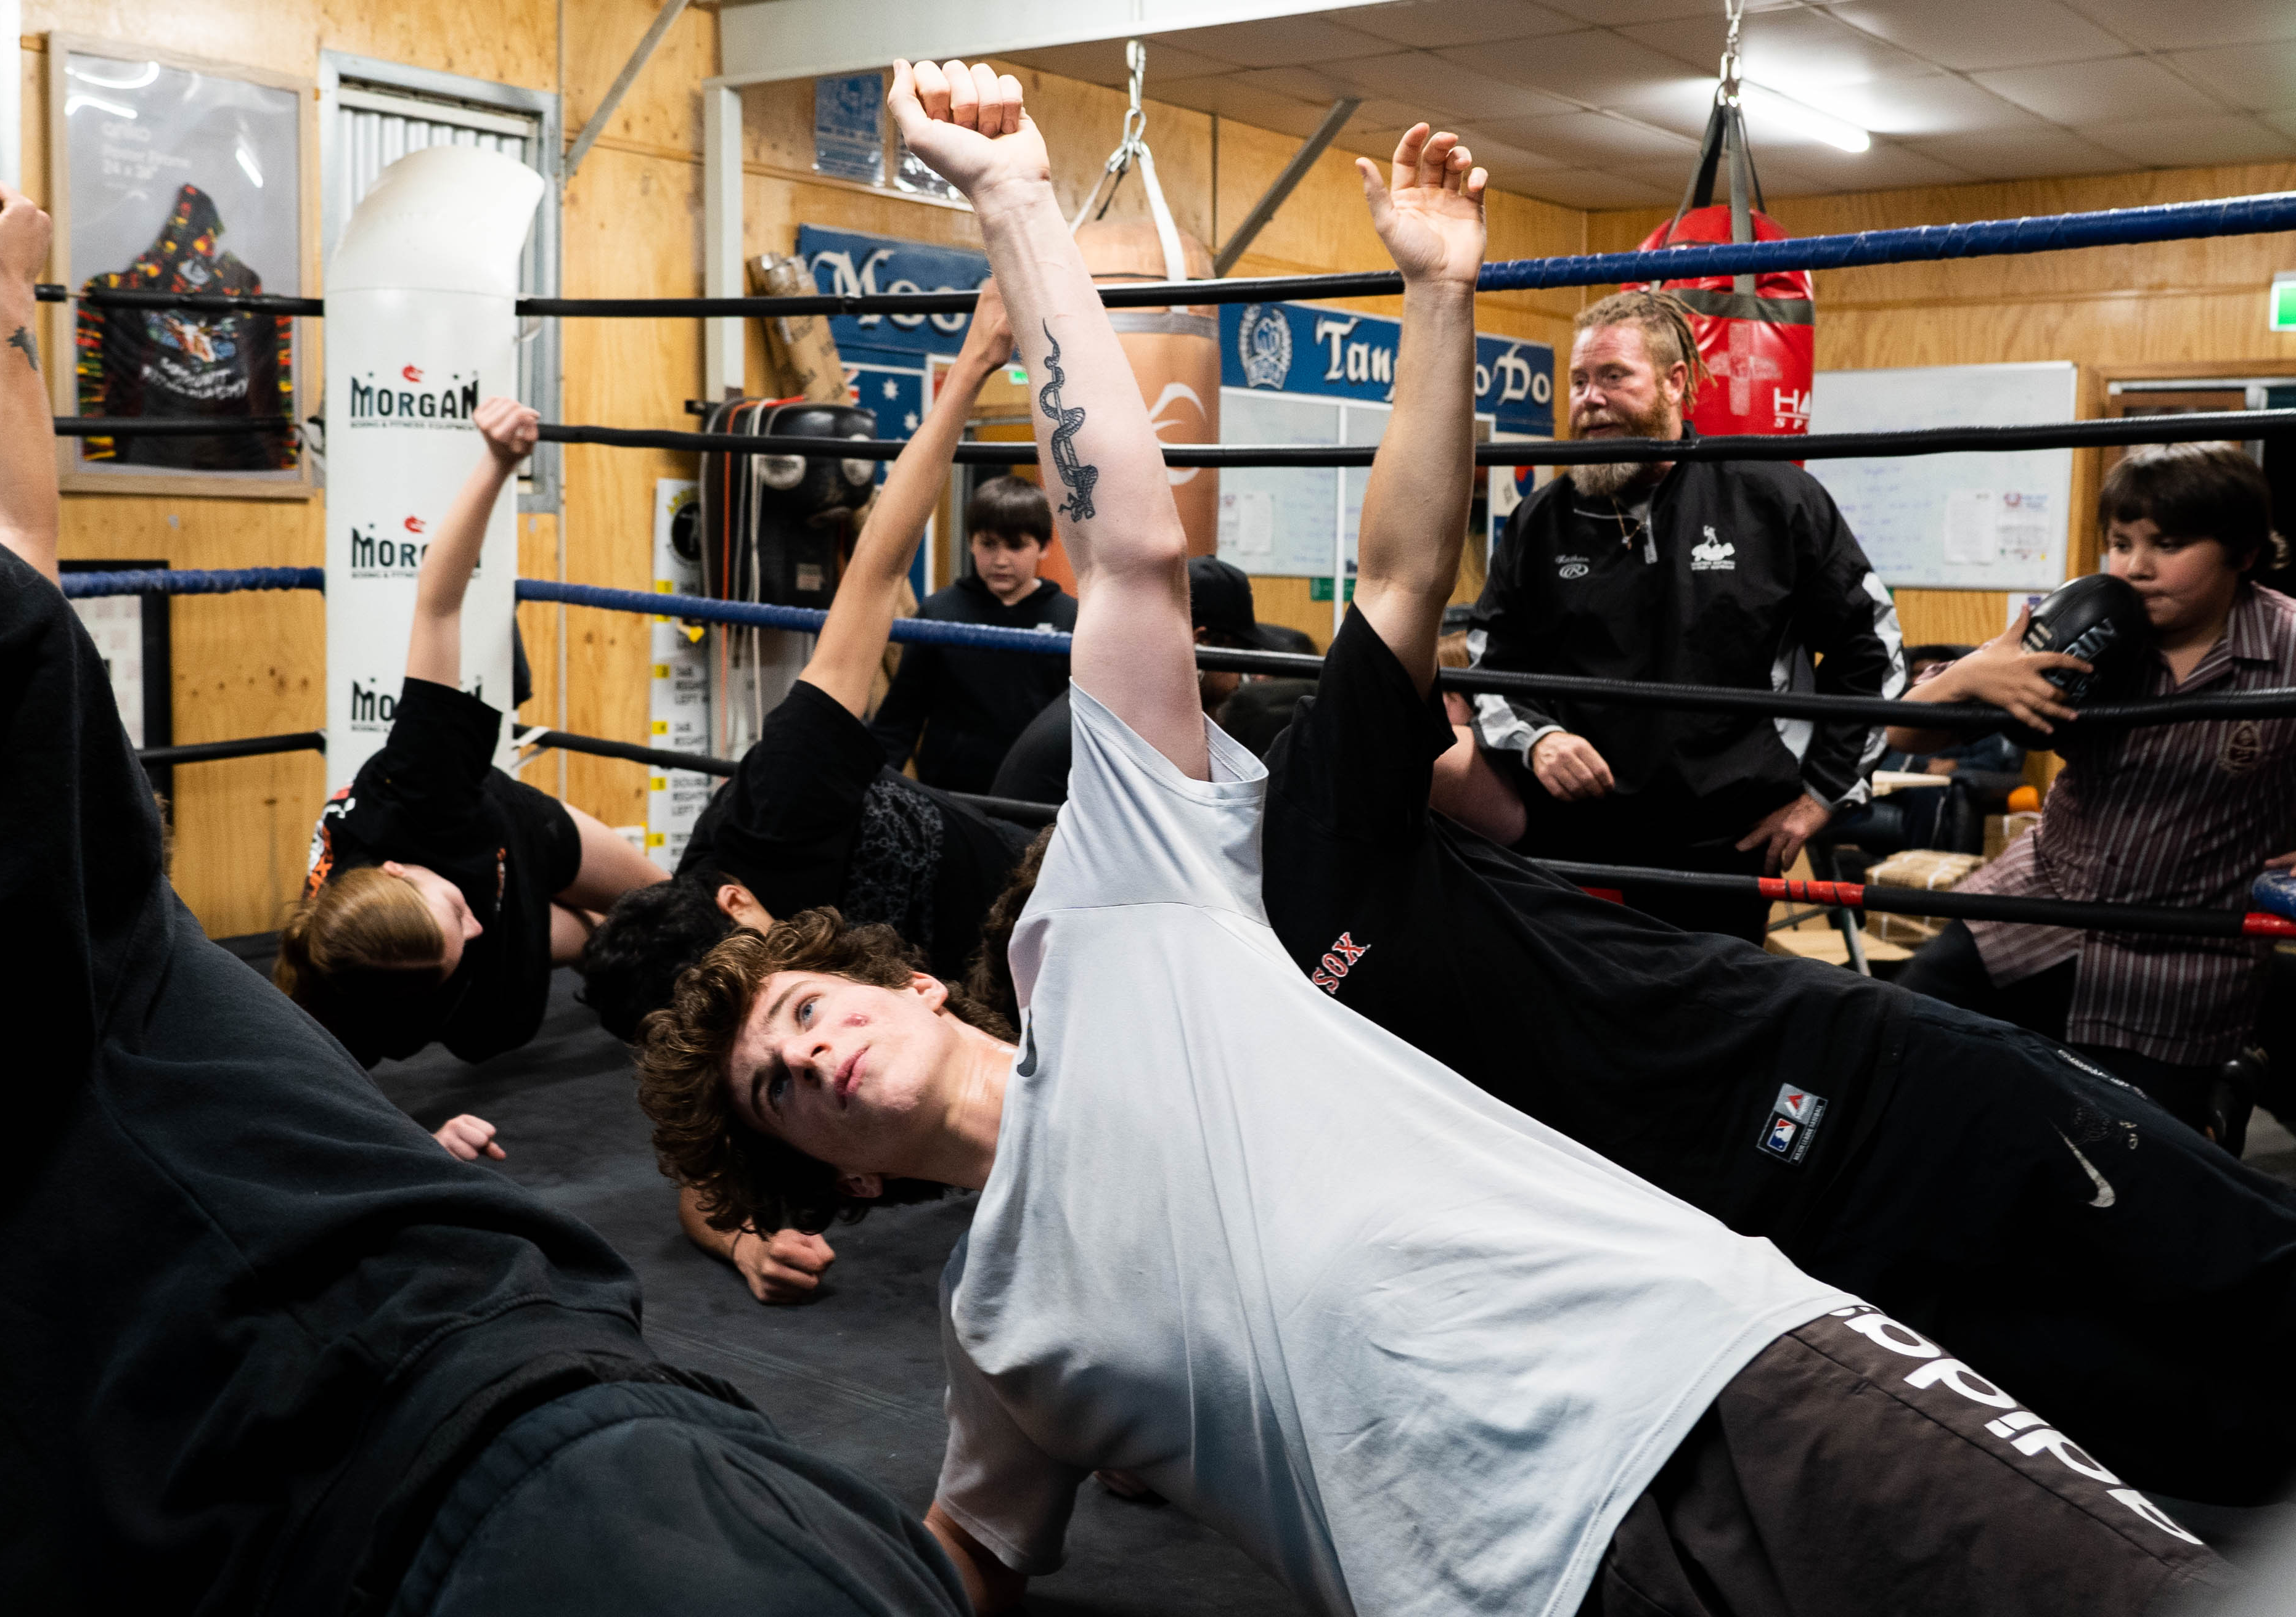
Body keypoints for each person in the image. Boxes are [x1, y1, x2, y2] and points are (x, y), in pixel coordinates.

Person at [635, 71, 2225, 1616]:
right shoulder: (1004, 1334)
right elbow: (968, 1541)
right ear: (838, 1170)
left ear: (911, 980)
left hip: (1718, 1344)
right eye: (780, 1080)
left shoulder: (1159, 911)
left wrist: (1023, 204)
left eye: (804, 1009)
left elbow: (1209, 553)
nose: (806, 1050)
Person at [0, 174, 968, 1617]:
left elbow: (39, 578)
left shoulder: (416, 817)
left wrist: (493, 466)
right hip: (483, 1425)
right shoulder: (299, 993)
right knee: (620, 951)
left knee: (623, 897)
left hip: (528, 900)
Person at [579, 279, 1024, 1303]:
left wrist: (966, 374)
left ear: (741, 900)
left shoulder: (778, 806)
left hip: (1027, 887)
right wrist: (741, 1243)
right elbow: (707, 1173)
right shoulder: (724, 1010)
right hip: (957, 1011)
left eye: (768, 1004)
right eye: (750, 1048)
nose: (781, 1038)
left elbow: (869, 582)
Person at [1465, 290, 1906, 940]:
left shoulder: (1771, 498)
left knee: (1703, 1015)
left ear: (1676, 383)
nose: (1590, 398)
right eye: (1580, 381)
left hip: (1725, 839)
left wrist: (1822, 795)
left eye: (1615, 376)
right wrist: (1541, 738)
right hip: (1582, 830)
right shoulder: (1542, 519)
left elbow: (1870, 650)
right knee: (1584, 1012)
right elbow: (1492, 662)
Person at [1891, 442, 2296, 1139]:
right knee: (1895, 1059)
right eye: (2120, 542)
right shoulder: (2087, 624)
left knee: (2124, 1170)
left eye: (2168, 544)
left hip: (2179, 965)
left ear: (2244, 553)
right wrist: (1967, 679)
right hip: (2031, 915)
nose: (2136, 566)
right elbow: (1903, 736)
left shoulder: (2289, 646)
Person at [274, 397, 666, 1067]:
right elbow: (313, 1105)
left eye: (457, 916)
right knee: (534, 995)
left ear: (397, 870)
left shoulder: (418, 783)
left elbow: (437, 601)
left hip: (500, 825)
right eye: (462, 938)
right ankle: (592, 939)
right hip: (470, 931)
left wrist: (498, 461)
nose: (477, 923)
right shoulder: (345, 988)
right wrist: (431, 1131)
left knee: (667, 912)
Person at [987, 553, 1265, 805]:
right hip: (1033, 854)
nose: (1243, 678)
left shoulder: (1122, 690)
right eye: (1240, 655)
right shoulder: (1139, 720)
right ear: (1201, 641)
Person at [869, 474, 1077, 792]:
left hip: (1041, 797)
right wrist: (870, 791)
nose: (1001, 560)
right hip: (953, 796)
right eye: (989, 544)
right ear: (971, 541)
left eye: (1016, 546)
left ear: (1044, 547)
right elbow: (900, 716)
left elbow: (1087, 723)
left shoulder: (1072, 618)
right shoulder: (940, 613)